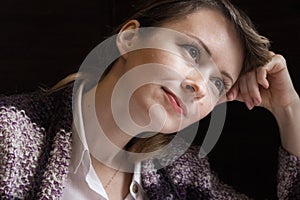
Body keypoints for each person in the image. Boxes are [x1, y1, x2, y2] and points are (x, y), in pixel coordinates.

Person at [0, 0, 299, 199]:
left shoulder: (186, 178)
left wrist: (289, 110)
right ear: (130, 38)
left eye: (218, 83)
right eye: (192, 52)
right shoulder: (9, 137)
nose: (198, 86)